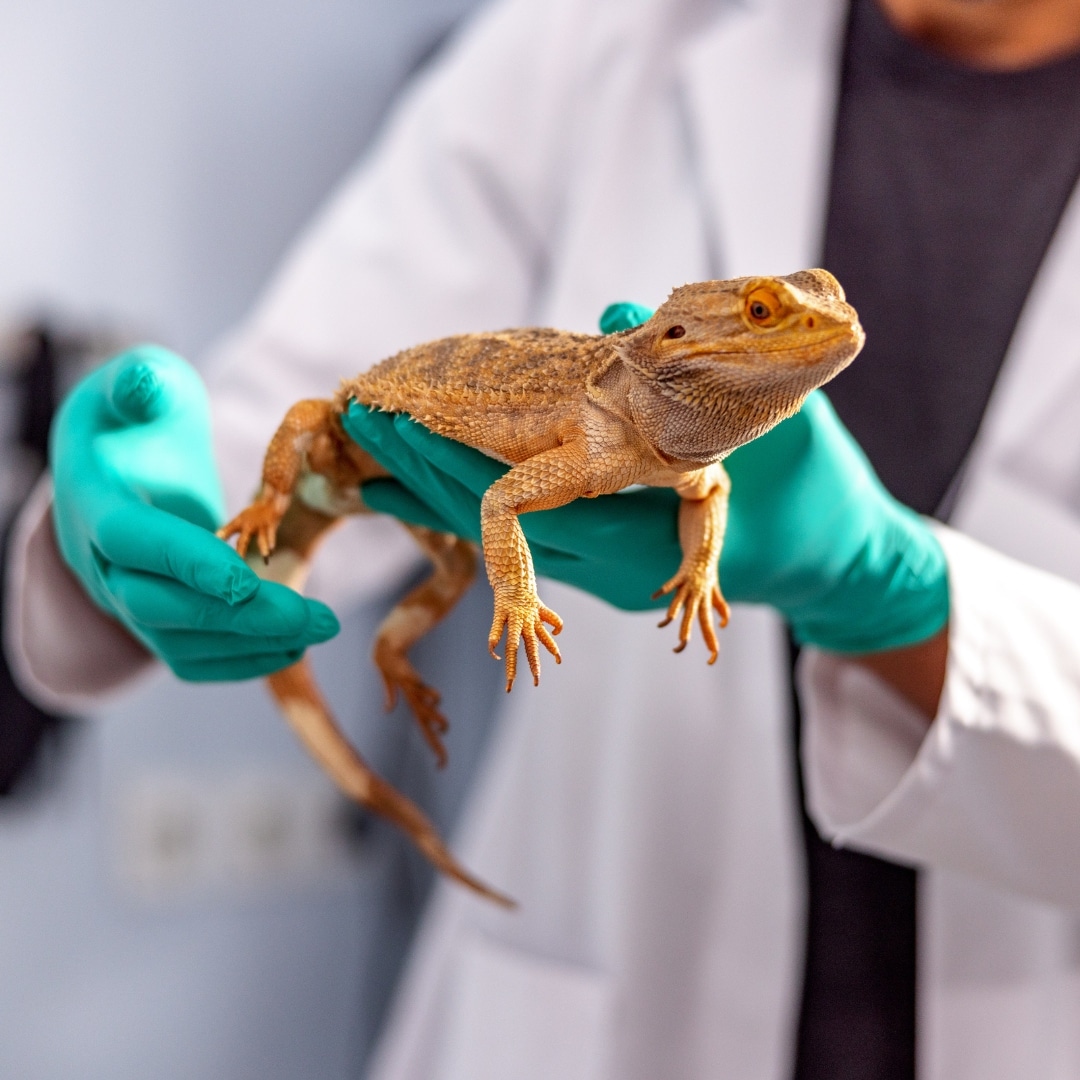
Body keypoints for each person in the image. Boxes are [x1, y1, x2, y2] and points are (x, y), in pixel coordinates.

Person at [11, 0, 1080, 1077]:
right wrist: (125, 531)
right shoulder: (602, 32)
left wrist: (885, 591)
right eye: (763, 314)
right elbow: (308, 416)